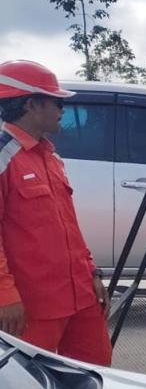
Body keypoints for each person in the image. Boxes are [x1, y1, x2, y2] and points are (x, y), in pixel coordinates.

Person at [0, 60, 111, 365]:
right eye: (56, 101)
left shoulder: (49, 156)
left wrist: (92, 272)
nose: (62, 109)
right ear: (31, 104)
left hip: (80, 298)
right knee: (33, 386)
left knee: (96, 376)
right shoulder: (4, 156)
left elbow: (68, 225)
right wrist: (4, 296)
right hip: (32, 308)